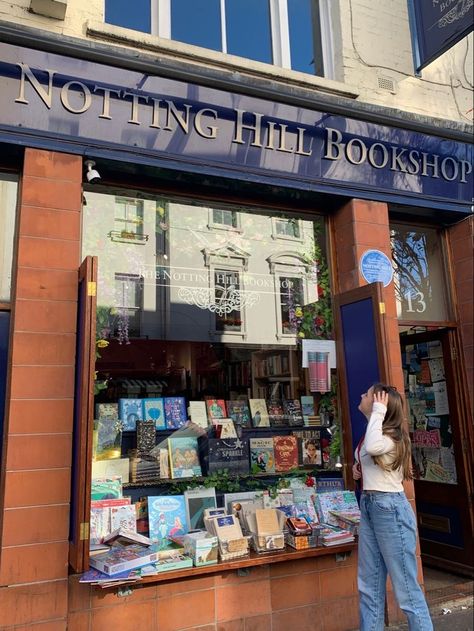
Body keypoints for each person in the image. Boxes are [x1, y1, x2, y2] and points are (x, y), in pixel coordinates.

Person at [353, 383, 433, 631]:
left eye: (367, 394)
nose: (362, 395)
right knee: (369, 585)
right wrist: (359, 472)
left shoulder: (392, 436)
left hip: (390, 509)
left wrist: (378, 410)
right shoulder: (373, 430)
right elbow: (370, 457)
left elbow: (375, 448)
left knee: (407, 590)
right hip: (371, 505)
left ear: (380, 403)